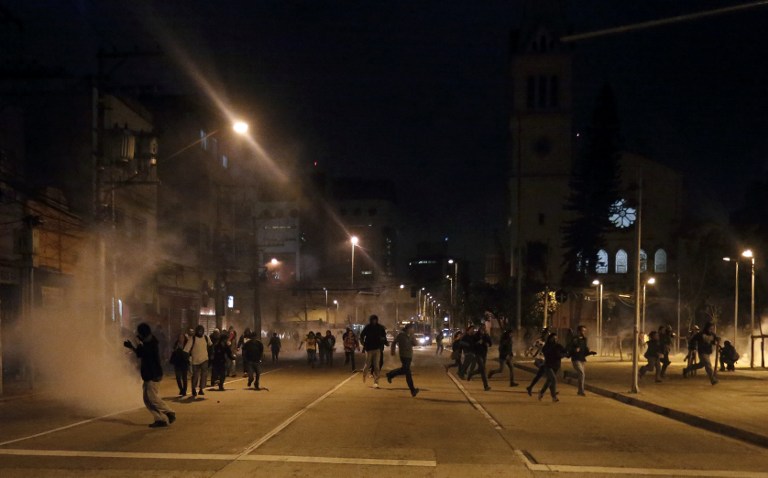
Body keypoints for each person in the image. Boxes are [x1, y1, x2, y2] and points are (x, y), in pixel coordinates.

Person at [123, 323, 176, 428]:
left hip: (153, 375)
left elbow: (143, 352)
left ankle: (170, 412)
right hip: (149, 375)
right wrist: (133, 347)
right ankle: (159, 419)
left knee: (152, 398)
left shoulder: (151, 344)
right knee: (147, 400)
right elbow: (140, 353)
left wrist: (137, 344)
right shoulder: (148, 343)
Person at [386, 323, 419, 397]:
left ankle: (390, 374)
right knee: (408, 372)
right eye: (411, 328)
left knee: (404, 370)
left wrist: (413, 338)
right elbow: (394, 342)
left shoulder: (411, 336)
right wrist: (392, 350)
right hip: (403, 355)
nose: (412, 330)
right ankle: (413, 390)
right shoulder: (401, 335)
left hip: (409, 355)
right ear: (408, 329)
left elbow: (416, 344)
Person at [567, 325, 596, 396]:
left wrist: (590, 352)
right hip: (576, 359)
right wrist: (574, 350)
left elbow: (585, 350)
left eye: (584, 331)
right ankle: (581, 391)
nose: (583, 332)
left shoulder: (584, 339)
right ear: (578, 331)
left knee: (581, 375)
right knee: (582, 374)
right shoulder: (574, 339)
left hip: (582, 359)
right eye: (582, 331)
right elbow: (569, 348)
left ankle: (568, 374)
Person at [184, 325, 212, 397]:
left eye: (201, 330)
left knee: (204, 375)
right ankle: (193, 388)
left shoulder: (206, 338)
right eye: (199, 330)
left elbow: (211, 345)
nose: (200, 332)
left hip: (205, 359)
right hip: (195, 361)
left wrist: (211, 355)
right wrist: (186, 359)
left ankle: (201, 389)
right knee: (195, 376)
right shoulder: (192, 339)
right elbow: (186, 350)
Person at [538, 332, 566, 402]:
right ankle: (554, 397)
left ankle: (541, 392)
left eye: (556, 338)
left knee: (549, 381)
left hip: (556, 365)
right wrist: (558, 354)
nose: (555, 340)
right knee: (553, 379)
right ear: (550, 339)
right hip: (548, 365)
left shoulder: (558, 346)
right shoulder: (546, 347)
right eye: (553, 338)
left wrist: (564, 354)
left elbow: (565, 352)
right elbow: (547, 354)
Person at [360, 315, 387, 388]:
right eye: (373, 320)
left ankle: (376, 382)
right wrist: (363, 344)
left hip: (377, 349)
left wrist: (385, 341)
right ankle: (364, 374)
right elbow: (362, 335)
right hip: (369, 349)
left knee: (376, 366)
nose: (374, 321)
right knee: (367, 364)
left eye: (375, 320)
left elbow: (384, 336)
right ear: (371, 320)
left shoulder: (380, 327)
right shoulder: (368, 327)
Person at [467, 323, 492, 391]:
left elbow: (490, 343)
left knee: (480, 370)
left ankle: (470, 373)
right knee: (483, 370)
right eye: (482, 329)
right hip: (478, 354)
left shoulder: (486, 335)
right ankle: (486, 386)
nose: (483, 330)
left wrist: (487, 343)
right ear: (479, 329)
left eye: (484, 329)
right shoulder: (476, 336)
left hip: (484, 354)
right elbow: (472, 346)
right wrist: (478, 342)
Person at [525, 328, 549, 396]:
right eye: (546, 334)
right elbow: (532, 347)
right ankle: (550, 391)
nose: (547, 335)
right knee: (548, 375)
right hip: (540, 359)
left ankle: (530, 387)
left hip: (545, 359)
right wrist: (529, 353)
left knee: (541, 375)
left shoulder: (548, 342)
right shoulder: (539, 341)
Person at [169, 332, 190, 396]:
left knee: (184, 377)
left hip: (184, 362)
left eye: (182, 337)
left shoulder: (187, 344)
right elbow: (173, 352)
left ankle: (184, 390)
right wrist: (176, 349)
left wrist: (182, 349)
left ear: (184, 338)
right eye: (180, 337)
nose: (181, 339)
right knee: (178, 377)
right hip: (177, 363)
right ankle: (181, 389)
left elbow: (188, 352)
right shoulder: (176, 344)